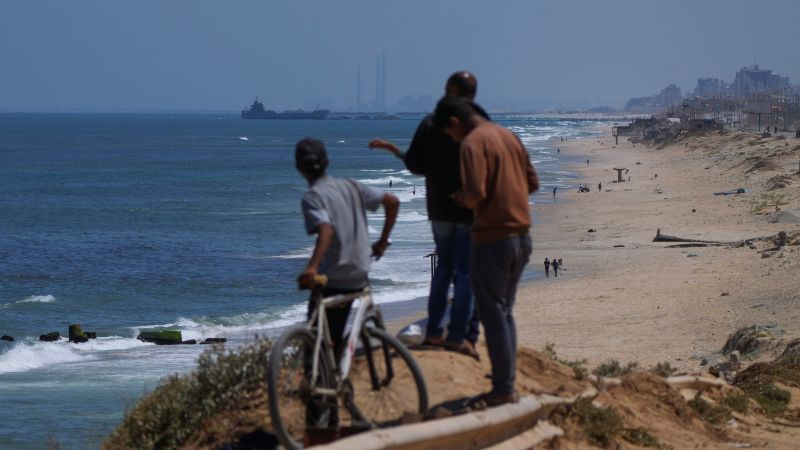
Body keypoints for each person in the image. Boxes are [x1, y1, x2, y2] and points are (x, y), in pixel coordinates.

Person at [367, 71, 487, 359]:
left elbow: (415, 165)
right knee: (465, 273)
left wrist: (396, 151)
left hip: (440, 209)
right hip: (469, 210)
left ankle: (434, 330)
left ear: (455, 90)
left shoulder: (430, 123)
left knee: (445, 270)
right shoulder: (479, 124)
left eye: (447, 88)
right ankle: (459, 336)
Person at [435, 95, 539, 407]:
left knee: (491, 312)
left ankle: (504, 388)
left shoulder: (471, 144)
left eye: (450, 134)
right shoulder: (509, 136)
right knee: (504, 311)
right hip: (522, 235)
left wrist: (457, 198)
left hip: (493, 238)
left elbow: (475, 192)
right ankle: (505, 381)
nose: (453, 140)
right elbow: (532, 183)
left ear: (454, 123)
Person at [296, 137, 399, 357]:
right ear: (327, 161)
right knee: (337, 331)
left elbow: (325, 229)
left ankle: (316, 376)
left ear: (298, 167)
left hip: (333, 279)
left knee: (318, 344)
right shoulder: (351, 185)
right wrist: (382, 242)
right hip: (360, 273)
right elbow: (392, 201)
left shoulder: (312, 196)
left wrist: (312, 267)